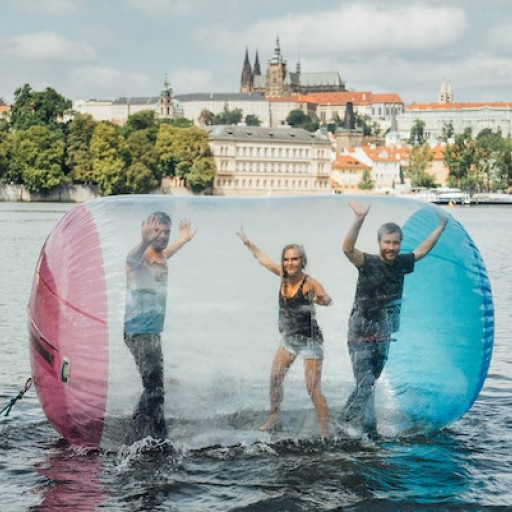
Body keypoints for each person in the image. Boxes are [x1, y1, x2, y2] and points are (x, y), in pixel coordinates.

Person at [340, 200, 448, 439]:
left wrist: (440, 227)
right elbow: (347, 249)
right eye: (387, 242)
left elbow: (422, 251)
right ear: (379, 242)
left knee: (367, 384)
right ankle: (371, 434)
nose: (391, 247)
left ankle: (344, 419)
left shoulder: (401, 263)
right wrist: (359, 219)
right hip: (360, 333)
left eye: (395, 242)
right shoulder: (367, 262)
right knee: (367, 383)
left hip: (385, 334)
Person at [237, 227, 333, 438]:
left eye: (295, 260)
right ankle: (274, 415)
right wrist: (248, 243)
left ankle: (326, 431)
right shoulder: (282, 275)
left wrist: (317, 299)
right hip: (289, 338)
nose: (290, 264)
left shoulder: (309, 283)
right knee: (275, 378)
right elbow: (264, 260)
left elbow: (327, 299)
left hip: (310, 341)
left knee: (312, 388)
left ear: (302, 261)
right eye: (286, 260)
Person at [124, 212, 196, 442]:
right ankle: (159, 439)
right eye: (158, 231)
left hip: (153, 332)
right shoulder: (141, 258)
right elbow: (131, 259)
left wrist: (183, 240)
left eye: (166, 231)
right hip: (139, 333)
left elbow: (167, 253)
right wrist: (144, 240)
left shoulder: (160, 255)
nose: (163, 236)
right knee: (156, 390)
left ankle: (135, 431)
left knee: (153, 387)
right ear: (146, 232)